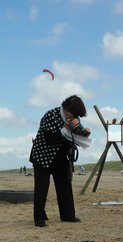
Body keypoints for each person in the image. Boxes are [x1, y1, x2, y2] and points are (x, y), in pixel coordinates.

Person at [29, 95, 91, 227]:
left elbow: (78, 134)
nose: (73, 117)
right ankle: (39, 218)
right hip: (42, 155)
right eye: (72, 114)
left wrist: (84, 133)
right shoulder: (51, 115)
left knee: (65, 185)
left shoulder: (74, 118)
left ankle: (68, 215)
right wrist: (66, 129)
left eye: (76, 116)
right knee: (42, 187)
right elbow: (50, 139)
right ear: (66, 108)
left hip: (60, 156)